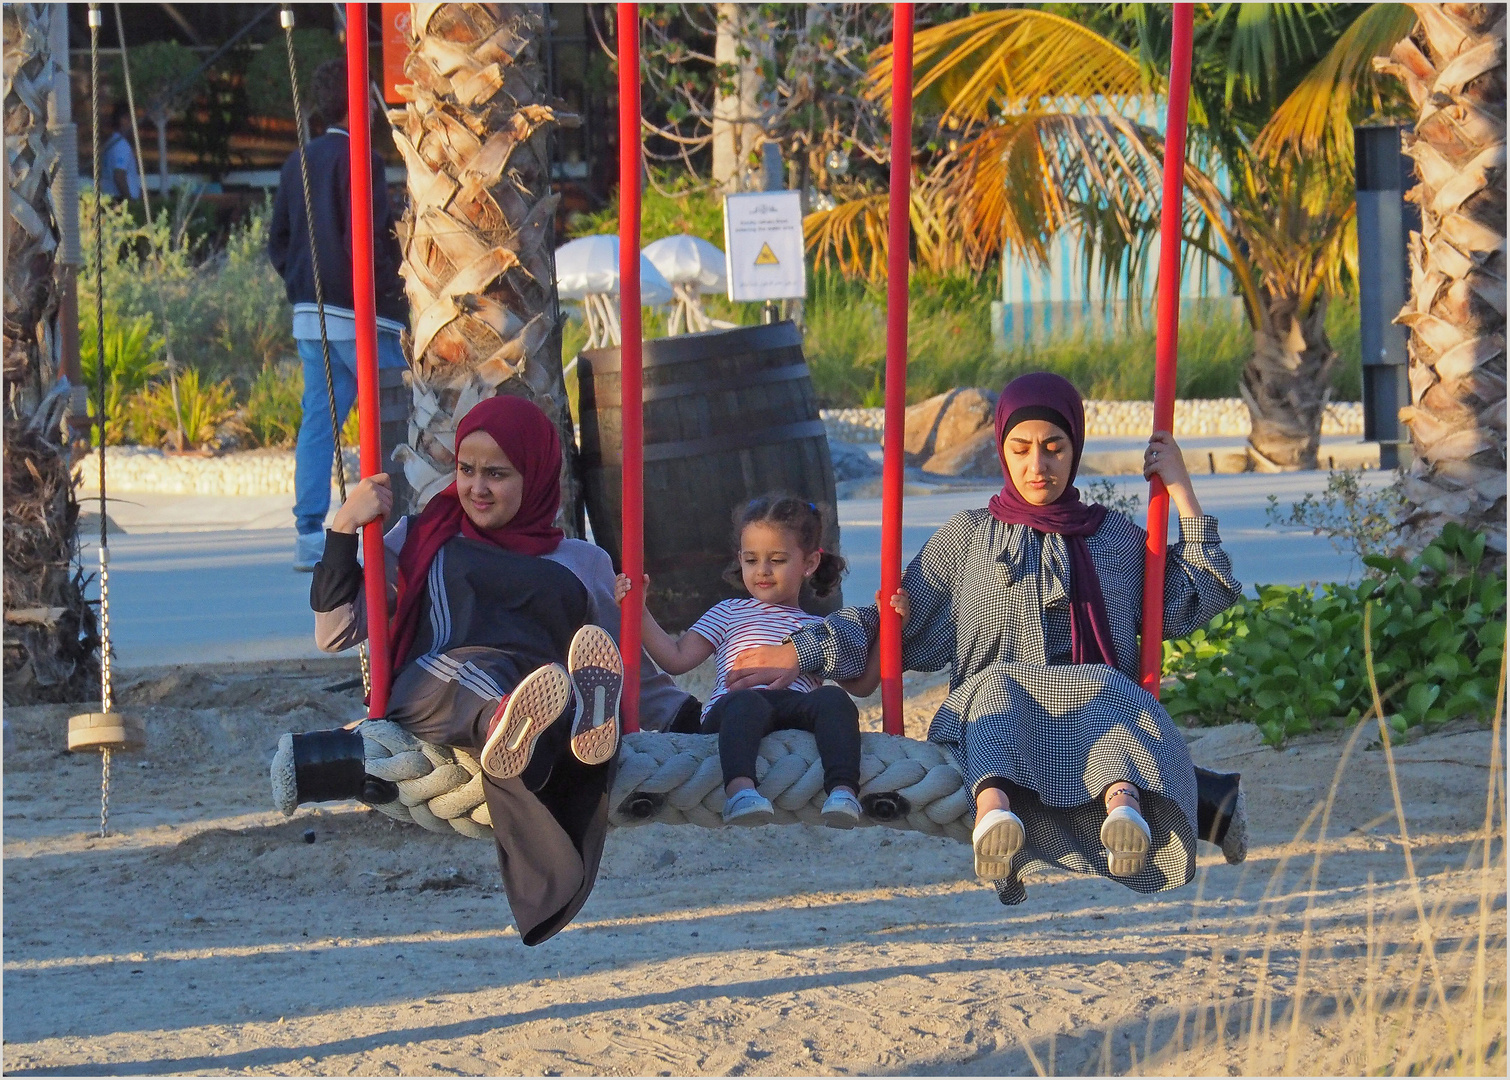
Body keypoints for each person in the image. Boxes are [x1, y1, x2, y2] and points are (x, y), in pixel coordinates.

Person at [724, 373, 1244, 903]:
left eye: (1053, 448)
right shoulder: (969, 537)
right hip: (997, 707)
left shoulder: (1113, 537)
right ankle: (995, 813)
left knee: (1110, 692)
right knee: (996, 691)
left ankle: (1124, 810)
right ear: (1002, 449)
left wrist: (1180, 487)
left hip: (1095, 705)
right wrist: (803, 649)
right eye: (1020, 449)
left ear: (1075, 449)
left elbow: (1199, 594)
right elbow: (892, 618)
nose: (1036, 466)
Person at [310, 395, 691, 943]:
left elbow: (629, 669)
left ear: (536, 476)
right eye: (466, 470)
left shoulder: (583, 563)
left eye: (497, 474)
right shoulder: (420, 539)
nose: (476, 488)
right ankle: (525, 722)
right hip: (436, 685)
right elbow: (335, 631)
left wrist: (696, 718)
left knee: (552, 684)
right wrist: (345, 527)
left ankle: (571, 725)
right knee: (491, 682)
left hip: (538, 691)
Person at [617, 496, 875, 828]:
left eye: (777, 560)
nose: (762, 571)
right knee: (746, 701)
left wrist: (889, 627)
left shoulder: (816, 629)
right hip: (733, 711)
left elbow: (863, 685)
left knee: (834, 699)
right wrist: (638, 609)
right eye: (751, 559)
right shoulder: (728, 612)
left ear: (809, 563)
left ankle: (842, 791)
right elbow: (675, 658)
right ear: (740, 559)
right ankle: (740, 791)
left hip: (794, 709)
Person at [268, 58, 409, 572]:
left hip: (310, 312)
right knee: (396, 416)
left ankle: (309, 532)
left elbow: (277, 241)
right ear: (357, 103)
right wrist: (394, 286)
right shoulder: (362, 159)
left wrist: (301, 281)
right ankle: (392, 526)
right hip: (361, 313)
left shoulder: (297, 161)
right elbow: (365, 240)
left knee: (318, 424)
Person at [99, 103, 141, 202]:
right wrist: (130, 200)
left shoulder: (110, 142)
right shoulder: (121, 145)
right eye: (130, 119)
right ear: (123, 119)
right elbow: (119, 175)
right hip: (120, 201)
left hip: (109, 197)